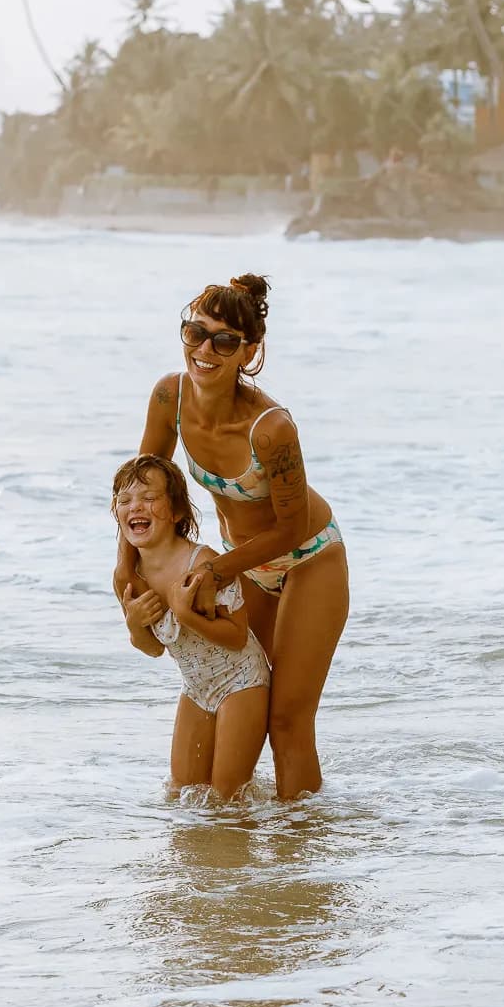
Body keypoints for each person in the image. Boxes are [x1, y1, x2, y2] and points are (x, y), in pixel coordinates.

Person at [116, 273, 348, 798]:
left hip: (307, 559)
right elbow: (141, 485)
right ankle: (236, 841)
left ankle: (301, 853)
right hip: (245, 566)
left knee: (287, 719)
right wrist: (124, 563)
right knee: (248, 695)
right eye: (195, 333)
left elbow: (289, 527)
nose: (205, 350)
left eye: (224, 341)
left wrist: (216, 568)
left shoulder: (271, 428)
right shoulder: (168, 396)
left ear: (250, 351)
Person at [113, 454, 269, 799]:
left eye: (149, 498)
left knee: (227, 796)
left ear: (177, 512)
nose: (135, 506)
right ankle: (199, 853)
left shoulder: (204, 564)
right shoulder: (128, 578)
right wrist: (135, 625)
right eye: (125, 500)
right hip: (196, 688)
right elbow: (153, 648)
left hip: (241, 680)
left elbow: (238, 636)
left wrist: (188, 616)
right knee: (183, 794)